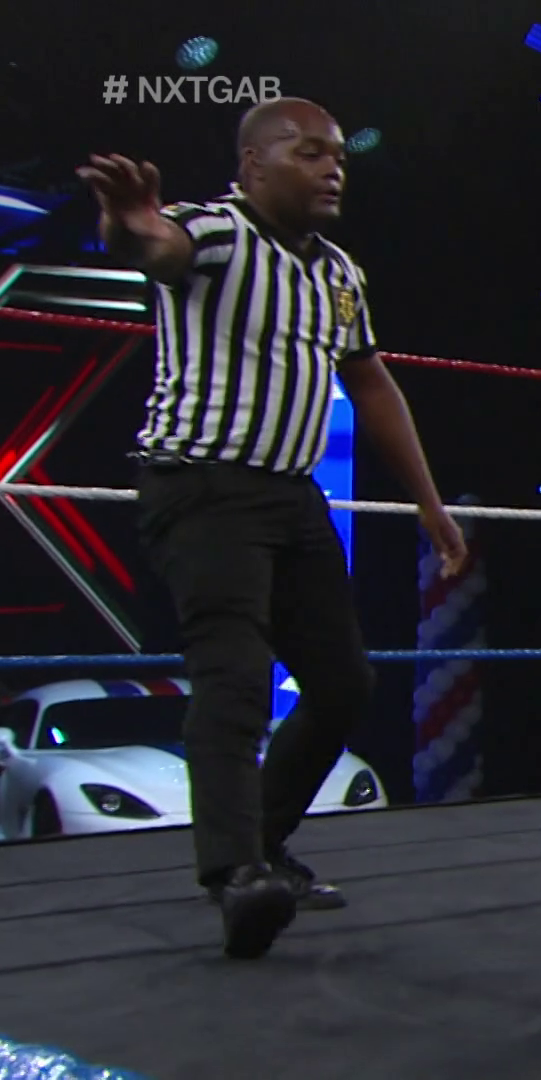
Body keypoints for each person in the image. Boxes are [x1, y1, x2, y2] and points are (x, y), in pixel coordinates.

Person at [74, 98, 467, 960]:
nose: (333, 168)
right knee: (235, 676)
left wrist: (429, 502)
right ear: (253, 165)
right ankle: (235, 875)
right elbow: (154, 247)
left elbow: (371, 383)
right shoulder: (213, 230)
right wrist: (127, 224)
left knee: (344, 683)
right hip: (202, 486)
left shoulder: (338, 273)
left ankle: (265, 844)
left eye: (340, 156)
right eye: (310, 152)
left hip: (289, 496)